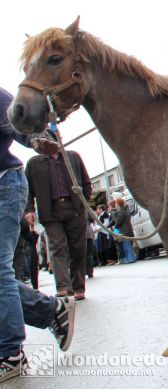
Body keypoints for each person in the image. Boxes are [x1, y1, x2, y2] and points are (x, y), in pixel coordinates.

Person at [1, 86, 77, 382]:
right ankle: (51, 311)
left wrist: (37, 138)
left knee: (0, 269)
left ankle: (10, 354)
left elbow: (16, 121)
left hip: (5, 185)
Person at [24, 143, 92, 299]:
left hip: (74, 208)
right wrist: (29, 210)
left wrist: (83, 203)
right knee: (57, 249)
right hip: (50, 211)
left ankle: (78, 288)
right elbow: (27, 190)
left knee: (78, 249)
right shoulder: (34, 163)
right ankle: (64, 287)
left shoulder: (73, 157)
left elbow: (87, 183)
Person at [112, 197, 136, 264]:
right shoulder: (126, 209)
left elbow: (119, 220)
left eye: (116, 203)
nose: (115, 204)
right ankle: (131, 258)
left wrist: (115, 226)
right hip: (128, 228)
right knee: (129, 245)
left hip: (124, 230)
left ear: (118, 204)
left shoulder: (121, 211)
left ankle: (131, 258)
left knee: (127, 245)